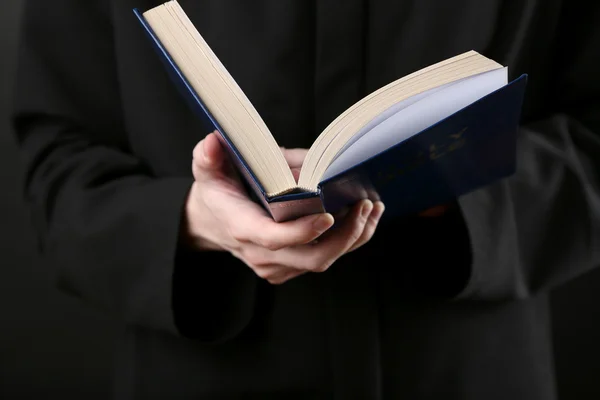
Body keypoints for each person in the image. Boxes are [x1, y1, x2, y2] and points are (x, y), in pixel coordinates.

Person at [11, 0, 599, 399]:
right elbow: (59, 171)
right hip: (202, 370)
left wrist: (443, 190)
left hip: (469, 368)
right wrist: (197, 223)